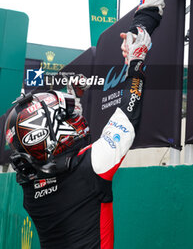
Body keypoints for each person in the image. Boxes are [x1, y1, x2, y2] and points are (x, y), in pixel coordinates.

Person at [4, 27, 151, 249]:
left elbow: (63, 160)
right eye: (65, 117)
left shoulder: (29, 187)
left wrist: (74, 98)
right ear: (45, 134)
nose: (74, 118)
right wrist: (136, 63)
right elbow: (127, 119)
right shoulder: (91, 167)